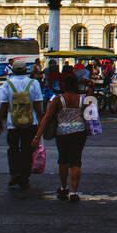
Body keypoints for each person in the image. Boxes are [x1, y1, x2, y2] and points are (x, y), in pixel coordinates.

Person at [32, 72, 94, 202]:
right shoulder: (83, 99)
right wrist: (89, 85)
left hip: (62, 132)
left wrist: (38, 135)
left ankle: (64, 187)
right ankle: (74, 191)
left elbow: (47, 117)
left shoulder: (58, 99)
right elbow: (91, 107)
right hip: (79, 131)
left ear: (64, 85)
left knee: (63, 160)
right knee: (76, 161)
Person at [0, 58, 46, 190]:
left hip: (13, 123)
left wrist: (0, 121)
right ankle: (24, 177)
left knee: (13, 149)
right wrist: (42, 121)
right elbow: (38, 106)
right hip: (31, 123)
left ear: (12, 71)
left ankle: (14, 173)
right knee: (27, 151)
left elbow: (4, 105)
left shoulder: (7, 84)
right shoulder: (34, 83)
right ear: (25, 71)